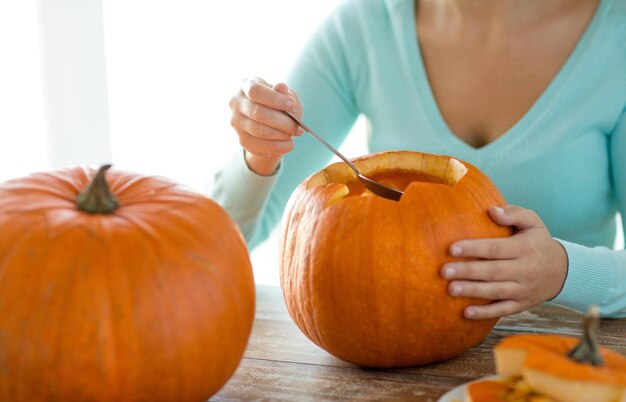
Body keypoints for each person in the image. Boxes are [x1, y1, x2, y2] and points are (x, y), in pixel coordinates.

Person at [209, 0, 626, 319]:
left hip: (568, 366)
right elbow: (217, 239)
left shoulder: (616, 34)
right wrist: (259, 152)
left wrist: (563, 272)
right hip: (392, 369)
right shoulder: (367, 24)